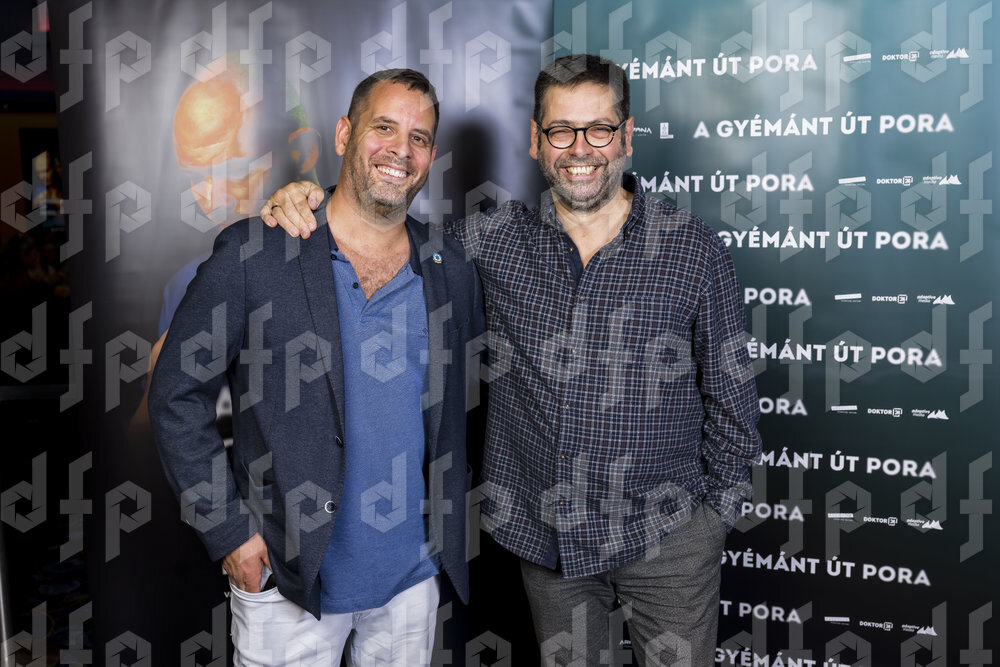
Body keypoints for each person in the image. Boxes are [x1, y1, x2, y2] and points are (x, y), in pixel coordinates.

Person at [262, 54, 762, 666]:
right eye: (561, 130)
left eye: (600, 128)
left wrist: (712, 522)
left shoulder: (692, 248)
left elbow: (733, 402)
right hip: (550, 546)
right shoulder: (489, 242)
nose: (581, 149)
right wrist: (307, 199)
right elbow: (382, 234)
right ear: (535, 140)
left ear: (627, 136)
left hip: (669, 540)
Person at [149, 68, 484, 666]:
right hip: (287, 577)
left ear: (431, 156)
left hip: (410, 580)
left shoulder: (449, 267)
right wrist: (229, 533)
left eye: (419, 138)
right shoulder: (258, 252)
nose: (400, 150)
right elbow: (176, 394)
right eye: (384, 128)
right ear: (343, 134)